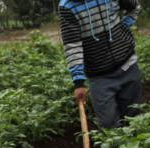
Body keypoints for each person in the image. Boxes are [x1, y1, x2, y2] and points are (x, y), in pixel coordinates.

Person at [59, 0, 142, 129]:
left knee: (133, 120)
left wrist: (124, 27)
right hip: (99, 76)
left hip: (128, 66)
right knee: (107, 127)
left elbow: (134, 6)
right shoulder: (67, 6)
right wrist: (78, 83)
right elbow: (72, 45)